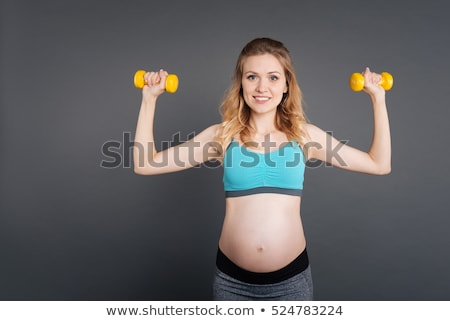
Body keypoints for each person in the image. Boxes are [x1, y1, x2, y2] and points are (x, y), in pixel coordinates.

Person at [133, 37, 391, 300]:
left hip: (291, 283)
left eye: (273, 77)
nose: (262, 87)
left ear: (287, 85)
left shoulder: (305, 137)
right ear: (241, 82)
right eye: (252, 77)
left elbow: (378, 164)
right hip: (232, 283)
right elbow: (145, 164)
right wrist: (149, 99)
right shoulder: (222, 137)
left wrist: (377, 99)